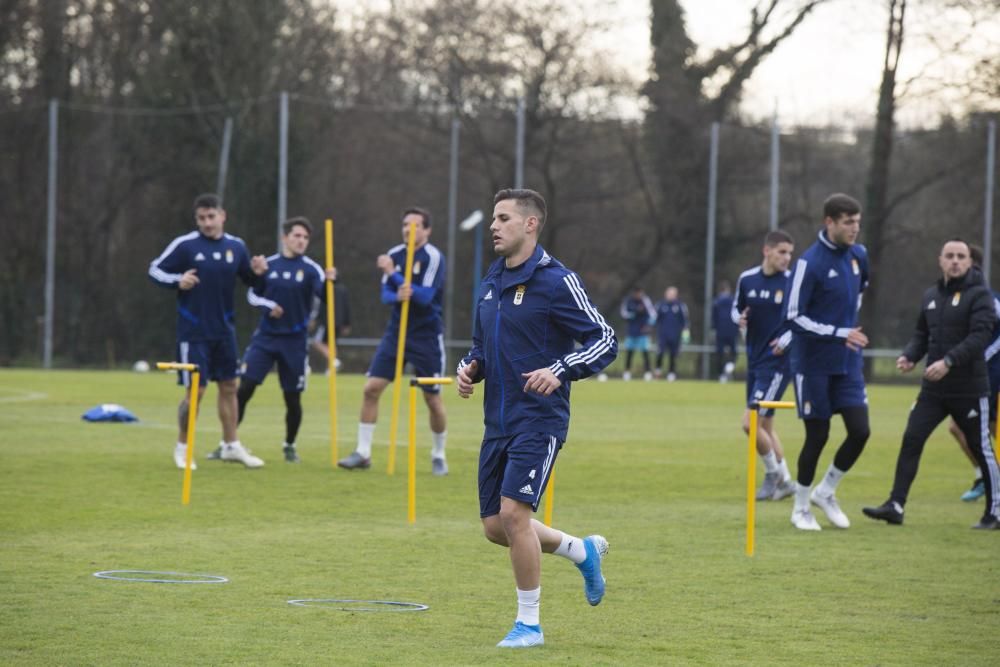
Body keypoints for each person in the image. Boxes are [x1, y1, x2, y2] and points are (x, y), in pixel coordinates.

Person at [457, 188, 617, 648]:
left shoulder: (556, 280)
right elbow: (481, 347)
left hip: (539, 421)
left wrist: (561, 369)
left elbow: (605, 339)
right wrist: (470, 369)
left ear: (530, 224)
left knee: (513, 514)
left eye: (503, 218)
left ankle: (529, 625)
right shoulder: (490, 281)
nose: (493, 225)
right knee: (495, 527)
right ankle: (580, 550)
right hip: (497, 423)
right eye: (493, 217)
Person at [863, 239, 1000, 529]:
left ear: (969, 262)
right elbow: (921, 334)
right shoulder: (931, 295)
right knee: (912, 438)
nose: (954, 261)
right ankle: (895, 505)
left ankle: (995, 511)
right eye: (949, 256)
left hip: (970, 389)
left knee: (981, 447)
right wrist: (909, 356)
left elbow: (979, 338)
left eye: (960, 256)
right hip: (933, 390)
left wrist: (948, 361)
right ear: (940, 260)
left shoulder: (981, 296)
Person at [148, 193, 268, 469]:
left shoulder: (236, 247)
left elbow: (251, 282)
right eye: (202, 218)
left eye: (211, 217)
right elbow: (154, 270)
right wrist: (179, 280)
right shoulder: (186, 245)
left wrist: (259, 273)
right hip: (193, 332)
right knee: (196, 391)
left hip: (224, 331)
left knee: (229, 387)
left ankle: (231, 445)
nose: (207, 223)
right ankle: (182, 448)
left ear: (222, 216)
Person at [338, 207, 448, 475]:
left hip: (426, 336)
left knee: (432, 399)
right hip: (396, 333)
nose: (408, 230)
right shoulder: (395, 255)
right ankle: (363, 452)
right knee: (371, 388)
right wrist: (397, 291)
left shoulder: (433, 257)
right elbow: (386, 295)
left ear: (427, 230)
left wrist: (396, 276)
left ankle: (438, 454)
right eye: (405, 225)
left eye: (415, 225)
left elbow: (423, 297)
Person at [784, 193, 871, 531]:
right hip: (813, 363)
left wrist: (847, 331)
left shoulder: (859, 255)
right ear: (830, 222)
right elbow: (792, 317)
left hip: (848, 362)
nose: (855, 229)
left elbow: (860, 291)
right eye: (848, 222)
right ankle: (801, 507)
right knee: (817, 435)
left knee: (860, 431)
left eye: (858, 222)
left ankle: (827, 491)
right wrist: (839, 331)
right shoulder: (809, 263)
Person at [229, 217, 336, 463]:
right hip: (265, 339)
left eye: (305, 237)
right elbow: (252, 295)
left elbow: (328, 298)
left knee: (292, 397)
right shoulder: (269, 264)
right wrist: (270, 306)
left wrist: (332, 282)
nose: (301, 241)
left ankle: (289, 444)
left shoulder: (312, 269)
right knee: (244, 389)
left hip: (295, 342)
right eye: (297, 235)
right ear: (285, 237)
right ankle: (229, 441)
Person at [733, 230, 796, 501]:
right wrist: (740, 319)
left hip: (778, 364)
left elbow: (802, 319)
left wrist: (787, 339)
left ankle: (773, 475)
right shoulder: (747, 279)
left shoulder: (793, 282)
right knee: (765, 428)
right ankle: (786, 482)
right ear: (766, 251)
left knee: (750, 423)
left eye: (790, 253)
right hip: (756, 361)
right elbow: (736, 308)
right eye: (782, 252)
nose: (787, 258)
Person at [946, 244, 1000, 501]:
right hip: (973, 376)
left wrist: (979, 357)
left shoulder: (988, 299)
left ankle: (990, 480)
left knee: (986, 429)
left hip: (992, 375)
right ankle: (984, 475)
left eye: (962, 259)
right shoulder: (958, 299)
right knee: (960, 427)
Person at [310, 276, 352, 373]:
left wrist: (316, 319)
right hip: (339, 322)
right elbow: (347, 307)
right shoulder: (343, 289)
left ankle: (334, 361)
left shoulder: (326, 289)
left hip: (327, 321)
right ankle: (331, 368)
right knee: (331, 344)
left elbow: (321, 306)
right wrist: (346, 323)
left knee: (317, 342)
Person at [619, 287, 655, 381]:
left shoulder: (645, 300)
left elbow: (653, 314)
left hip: (643, 332)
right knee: (629, 352)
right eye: (637, 293)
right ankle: (627, 372)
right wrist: (634, 313)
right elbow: (623, 314)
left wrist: (649, 325)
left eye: (640, 293)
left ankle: (647, 373)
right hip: (631, 331)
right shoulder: (628, 301)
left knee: (645, 352)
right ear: (634, 293)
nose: (639, 295)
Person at [654, 286, 689, 381]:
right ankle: (658, 371)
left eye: (672, 294)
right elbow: (654, 319)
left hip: (675, 335)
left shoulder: (680, 306)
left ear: (676, 295)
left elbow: (685, 321)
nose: (670, 295)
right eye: (669, 293)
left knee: (673, 354)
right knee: (660, 353)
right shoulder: (660, 305)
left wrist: (686, 334)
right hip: (663, 335)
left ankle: (671, 373)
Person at [712, 281, 739, 382]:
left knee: (719, 353)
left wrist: (714, 329)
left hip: (720, 331)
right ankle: (729, 366)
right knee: (734, 352)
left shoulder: (716, 302)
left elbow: (713, 318)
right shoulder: (734, 301)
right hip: (732, 330)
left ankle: (721, 375)